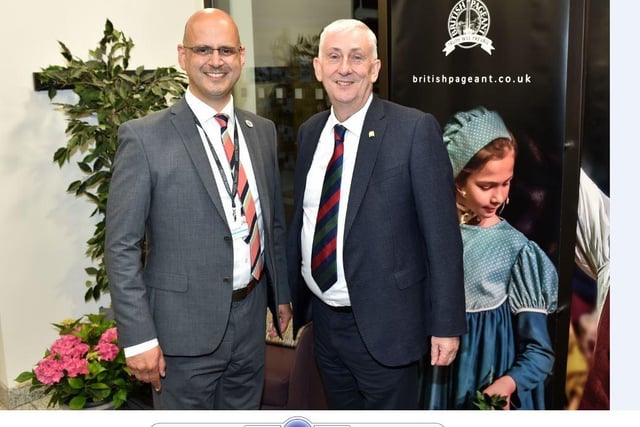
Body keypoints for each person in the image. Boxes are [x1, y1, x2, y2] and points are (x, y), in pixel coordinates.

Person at [104, 8, 291, 410]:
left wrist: (282, 296)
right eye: (203, 49)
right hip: (181, 334)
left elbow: (271, 223)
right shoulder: (143, 138)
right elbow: (121, 247)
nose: (216, 60)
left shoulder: (263, 132)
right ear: (182, 56)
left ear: (241, 56)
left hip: (250, 321)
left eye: (226, 50)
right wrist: (139, 338)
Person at [286, 18, 466, 410]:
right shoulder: (310, 133)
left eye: (356, 57)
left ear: (375, 68)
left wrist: (447, 324)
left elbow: (443, 238)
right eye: (334, 57)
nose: (345, 68)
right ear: (318, 68)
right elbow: (304, 220)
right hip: (325, 325)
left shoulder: (414, 130)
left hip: (388, 326)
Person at [419, 106, 559, 410]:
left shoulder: (517, 251)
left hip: (484, 387)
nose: (498, 197)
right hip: (431, 387)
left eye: (506, 182)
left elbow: (540, 352)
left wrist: (508, 384)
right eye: (486, 186)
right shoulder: (428, 234)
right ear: (457, 180)